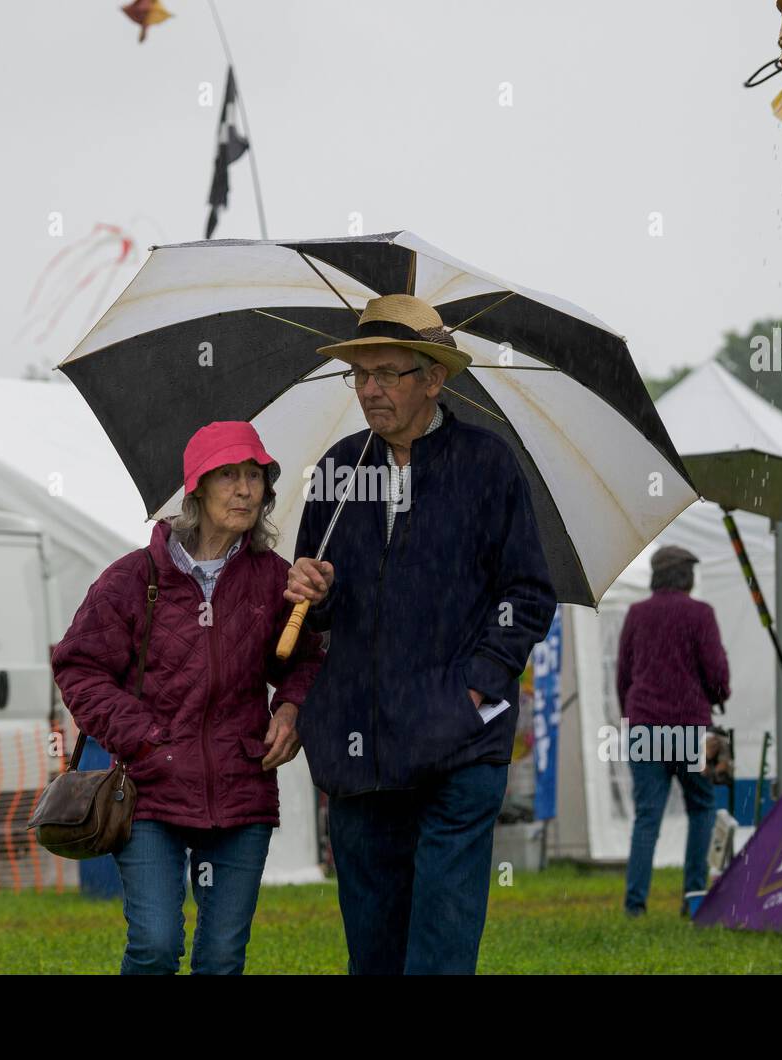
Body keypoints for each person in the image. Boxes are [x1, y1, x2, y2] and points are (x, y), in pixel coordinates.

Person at [286, 293, 557, 975]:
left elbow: (527, 594)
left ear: (433, 378)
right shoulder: (337, 470)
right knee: (373, 956)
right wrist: (311, 595)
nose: (370, 390)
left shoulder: (488, 466)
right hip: (360, 750)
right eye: (360, 375)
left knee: (437, 953)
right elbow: (314, 613)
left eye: (387, 373)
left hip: (458, 748)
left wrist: (474, 688)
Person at [52, 421, 324, 974]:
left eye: (255, 476)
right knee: (155, 945)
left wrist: (291, 709)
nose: (246, 489)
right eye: (230, 476)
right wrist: (146, 744)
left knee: (222, 957)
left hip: (241, 788)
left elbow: (303, 661)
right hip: (150, 792)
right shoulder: (134, 577)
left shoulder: (275, 579)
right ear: (196, 488)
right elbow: (79, 667)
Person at [616, 544, 730, 918]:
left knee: (647, 816)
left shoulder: (637, 614)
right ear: (685, 576)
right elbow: (715, 672)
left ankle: (635, 906)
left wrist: (631, 716)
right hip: (691, 728)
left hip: (644, 725)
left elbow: (624, 675)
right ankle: (693, 899)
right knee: (701, 809)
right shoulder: (700, 614)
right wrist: (718, 695)